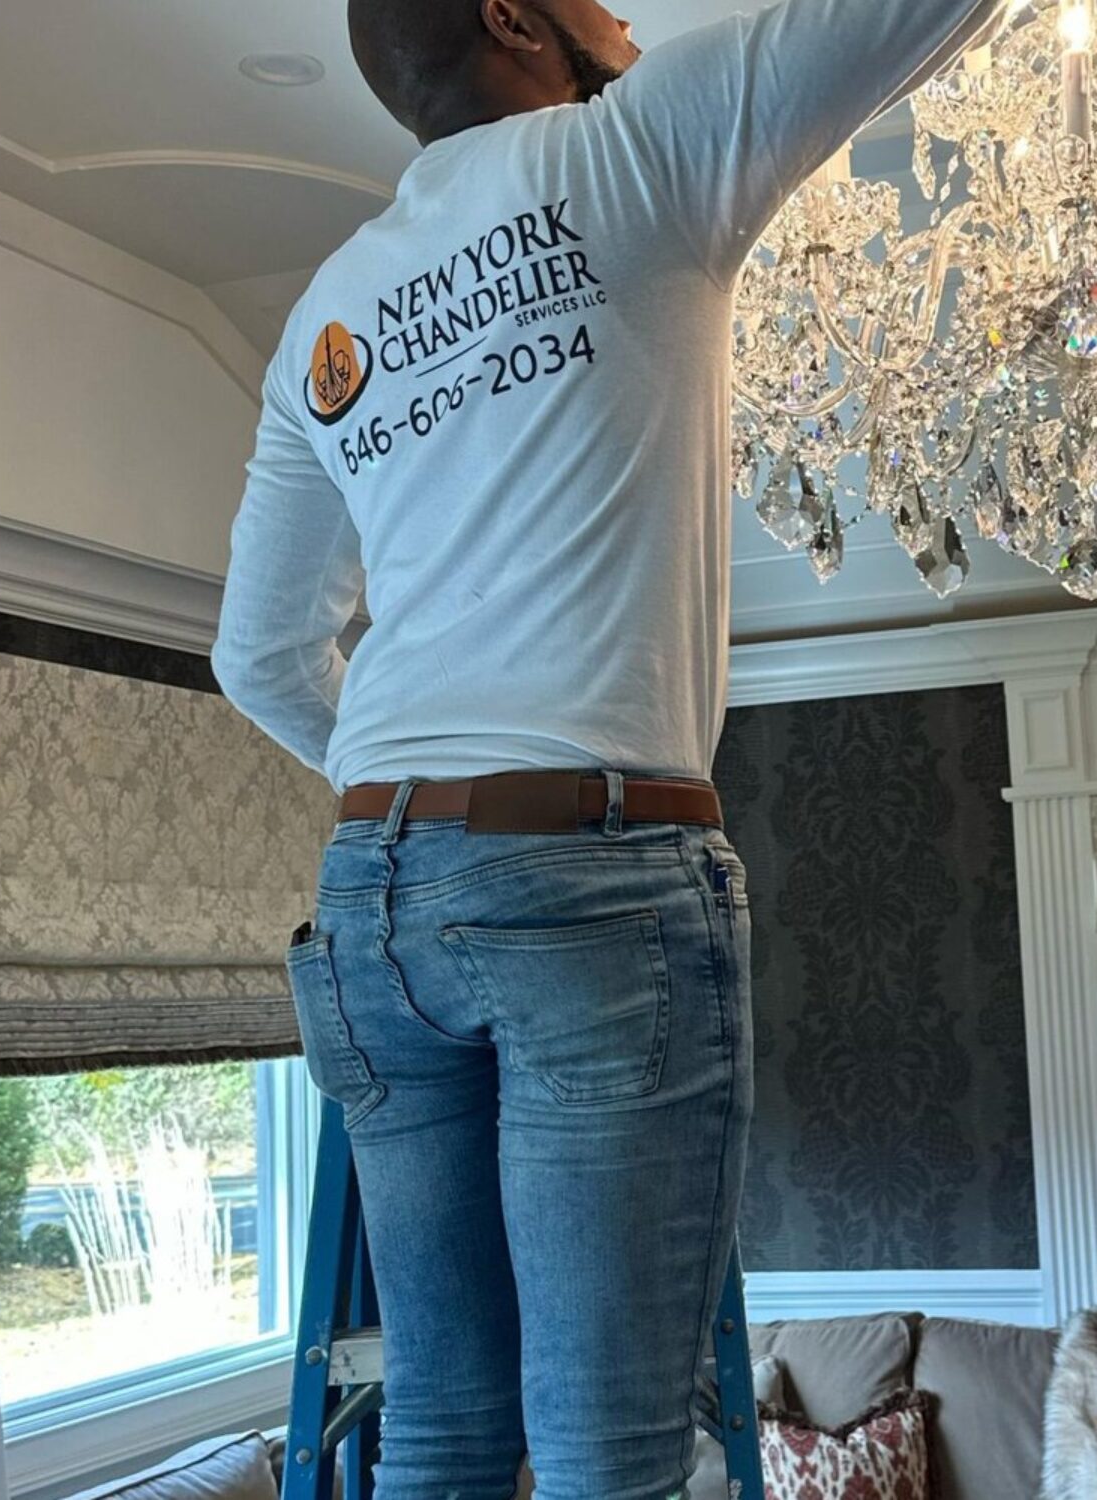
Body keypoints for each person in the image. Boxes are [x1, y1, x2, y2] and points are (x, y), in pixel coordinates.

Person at [210, 1, 1002, 1496]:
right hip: (584, 883)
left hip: (370, 916)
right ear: (513, 15)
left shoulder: (329, 314)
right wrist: (501, 810)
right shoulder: (641, 152)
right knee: (608, 1443)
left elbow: (254, 658)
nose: (627, 16)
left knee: (444, 1417)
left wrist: (421, 808)